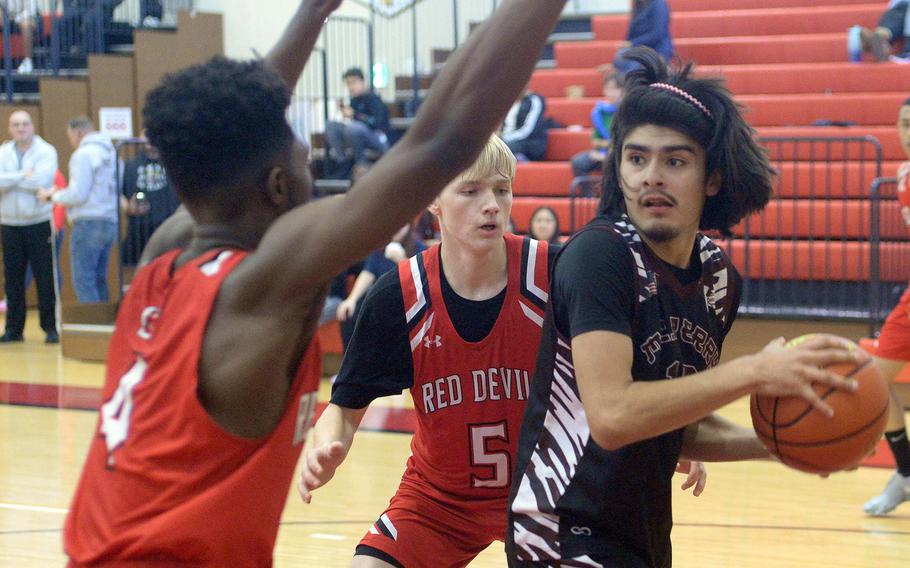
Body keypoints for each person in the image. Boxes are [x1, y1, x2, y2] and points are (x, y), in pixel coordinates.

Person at [62, 0, 571, 564]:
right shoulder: (260, 293)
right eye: (304, 161)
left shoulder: (167, 256)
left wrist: (313, 11)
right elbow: (440, 143)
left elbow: (238, 125)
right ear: (279, 187)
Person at [507, 48, 861, 568]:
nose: (651, 176)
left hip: (640, 532)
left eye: (674, 161)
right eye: (636, 158)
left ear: (711, 178)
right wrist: (753, 372)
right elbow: (613, 415)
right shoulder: (600, 256)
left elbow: (677, 424)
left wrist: (789, 442)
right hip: (559, 531)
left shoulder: (718, 279)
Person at [863, 96, 910, 516]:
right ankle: (907, 473)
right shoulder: (902, 176)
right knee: (877, 383)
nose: (907, 132)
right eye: (903, 123)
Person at [38, 116, 117, 304]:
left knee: (84, 280)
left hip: (88, 221)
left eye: (70, 137)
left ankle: (93, 329)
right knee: (99, 278)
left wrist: (52, 196)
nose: (71, 142)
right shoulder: (112, 153)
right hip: (110, 220)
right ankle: (105, 326)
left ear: (78, 133)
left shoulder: (83, 155)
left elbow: (78, 194)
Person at [0, 110, 58, 343]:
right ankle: (13, 329)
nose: (21, 128)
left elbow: (42, 182)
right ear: (9, 128)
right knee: (12, 279)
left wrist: (9, 179)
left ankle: (50, 328)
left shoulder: (46, 151)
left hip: (38, 222)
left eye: (25, 124)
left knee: (45, 277)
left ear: (33, 126)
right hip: (9, 223)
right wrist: (22, 176)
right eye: (16, 124)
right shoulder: (3, 152)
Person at [336, 223, 425, 348]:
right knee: (350, 313)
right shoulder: (380, 247)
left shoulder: (418, 247)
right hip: (379, 297)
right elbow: (368, 273)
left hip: (406, 300)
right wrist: (351, 299)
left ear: (408, 226)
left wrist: (402, 260)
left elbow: (422, 281)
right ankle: (354, 362)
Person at [120, 133, 179, 266]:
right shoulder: (131, 164)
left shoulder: (174, 163)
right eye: (146, 136)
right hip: (139, 228)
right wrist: (128, 207)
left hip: (168, 226)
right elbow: (119, 194)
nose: (149, 140)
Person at [325, 67, 390, 180]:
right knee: (331, 126)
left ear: (363, 82)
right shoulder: (354, 100)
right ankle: (343, 162)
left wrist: (354, 115)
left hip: (377, 138)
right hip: (358, 135)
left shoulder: (373, 99)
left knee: (354, 128)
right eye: (348, 84)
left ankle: (361, 164)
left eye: (353, 82)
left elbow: (377, 123)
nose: (351, 87)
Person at [570, 72, 623, 179]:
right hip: (602, 152)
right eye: (609, 88)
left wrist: (607, 150)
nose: (612, 93)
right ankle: (588, 195)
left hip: (619, 154)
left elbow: (623, 140)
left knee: (612, 162)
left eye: (615, 89)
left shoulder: (625, 111)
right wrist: (600, 150)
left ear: (622, 90)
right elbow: (595, 140)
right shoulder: (599, 112)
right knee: (578, 162)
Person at [615, 0, 674, 74]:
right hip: (638, 48)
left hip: (656, 49)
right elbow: (631, 32)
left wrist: (632, 43)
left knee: (635, 65)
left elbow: (657, 34)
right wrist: (626, 44)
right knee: (622, 55)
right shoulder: (638, 4)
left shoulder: (659, 4)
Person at [501, 90, 548, 162]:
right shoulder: (507, 100)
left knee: (501, 148)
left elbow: (528, 130)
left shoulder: (534, 100)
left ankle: (520, 158)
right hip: (507, 139)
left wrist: (504, 138)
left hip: (529, 142)